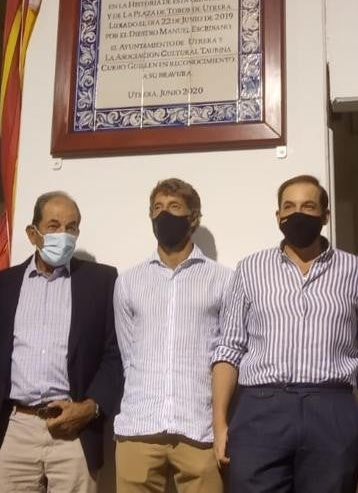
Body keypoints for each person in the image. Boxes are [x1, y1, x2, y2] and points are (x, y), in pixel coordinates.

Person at [211, 174, 358, 493]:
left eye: (308, 206)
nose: (297, 213)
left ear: (325, 215)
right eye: (288, 206)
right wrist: (219, 423)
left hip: (332, 408)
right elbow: (229, 348)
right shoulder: (250, 269)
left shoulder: (355, 270)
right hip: (261, 407)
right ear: (278, 216)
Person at [0, 191, 122, 492]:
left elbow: (114, 355)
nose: (64, 235)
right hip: (14, 426)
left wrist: (91, 407)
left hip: (74, 430)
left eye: (71, 227)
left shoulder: (101, 282)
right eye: (53, 225)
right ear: (32, 233)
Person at [113, 179, 232, 493]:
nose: (164, 214)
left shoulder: (224, 280)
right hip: (139, 428)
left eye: (174, 207)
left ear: (193, 218)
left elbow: (228, 353)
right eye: (157, 208)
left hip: (200, 430)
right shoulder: (128, 282)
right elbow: (128, 354)